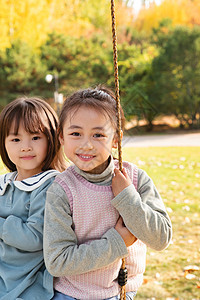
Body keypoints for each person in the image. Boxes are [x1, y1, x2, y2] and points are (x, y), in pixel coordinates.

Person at [43, 86, 172, 300]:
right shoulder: (62, 190)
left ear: (116, 139)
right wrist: (117, 242)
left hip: (123, 293)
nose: (86, 144)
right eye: (76, 133)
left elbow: (161, 239)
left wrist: (127, 197)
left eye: (98, 134)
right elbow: (58, 261)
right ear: (62, 137)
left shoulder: (135, 179)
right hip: (72, 295)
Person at [0, 96, 67, 300]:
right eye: (15, 139)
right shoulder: (5, 183)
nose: (25, 147)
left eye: (36, 138)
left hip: (28, 284)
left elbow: (35, 238)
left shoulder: (50, 185)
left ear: (52, 139)